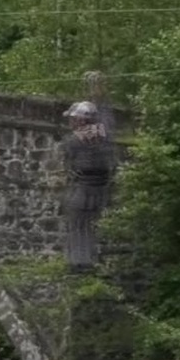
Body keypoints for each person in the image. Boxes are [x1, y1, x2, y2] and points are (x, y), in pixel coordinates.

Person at [61, 98, 115, 273]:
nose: (71, 122)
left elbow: (68, 159)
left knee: (78, 223)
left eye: (73, 118)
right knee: (92, 224)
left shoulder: (74, 140)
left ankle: (80, 263)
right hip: (103, 188)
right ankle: (93, 260)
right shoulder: (104, 134)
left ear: (81, 120)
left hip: (85, 188)